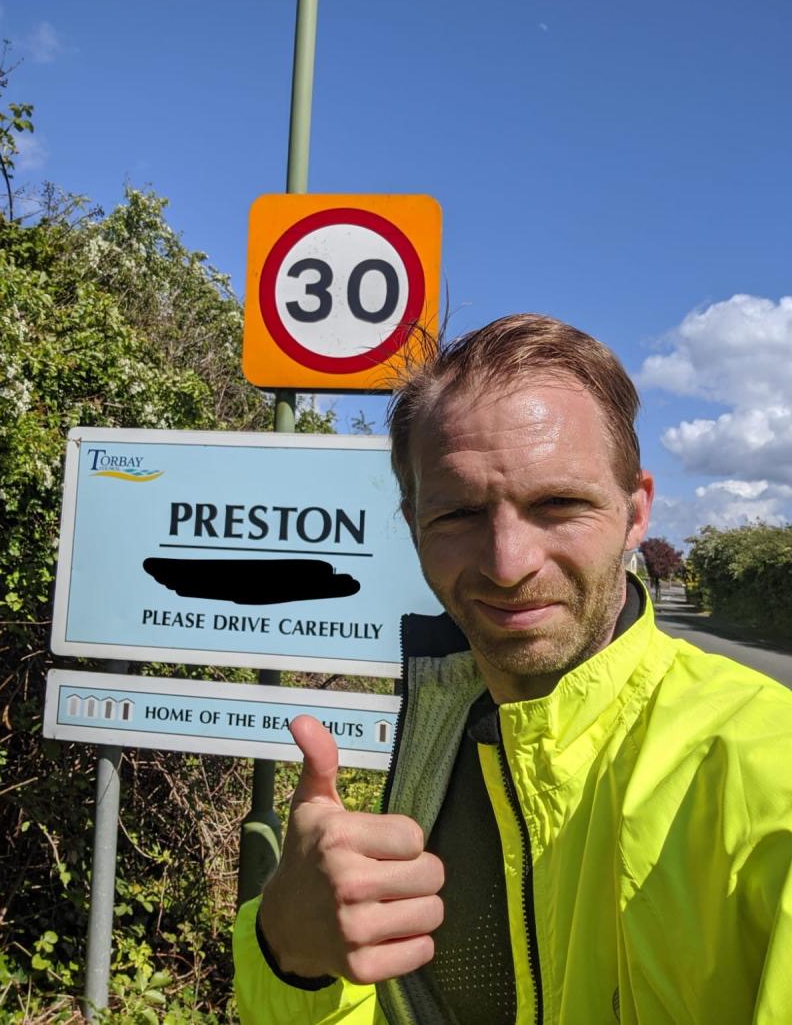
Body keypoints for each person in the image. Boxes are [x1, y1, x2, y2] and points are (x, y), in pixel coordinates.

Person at [233, 314, 792, 1025]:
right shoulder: (439, 728)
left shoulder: (767, 771)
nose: (508, 564)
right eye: (460, 513)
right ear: (413, 526)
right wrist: (290, 955)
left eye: (558, 504)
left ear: (635, 511)